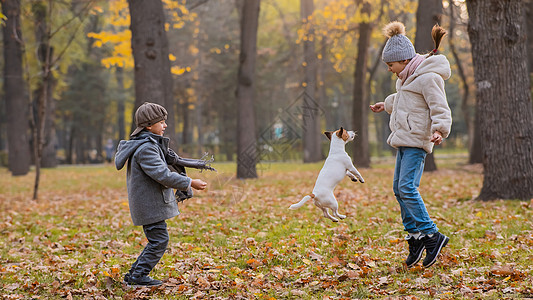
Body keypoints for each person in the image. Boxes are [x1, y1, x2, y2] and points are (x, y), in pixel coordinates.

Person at [370, 22, 452, 268]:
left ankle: (432, 235)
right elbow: (404, 100)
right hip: (404, 140)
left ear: (404, 60)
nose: (389, 69)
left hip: (417, 141)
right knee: (398, 189)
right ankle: (415, 237)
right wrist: (386, 105)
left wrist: (439, 130)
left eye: (391, 65)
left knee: (407, 188)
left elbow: (439, 106)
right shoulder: (406, 79)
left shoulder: (427, 78)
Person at [115, 102, 207, 286]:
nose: (165, 125)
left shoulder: (148, 144)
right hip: (149, 205)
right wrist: (190, 182)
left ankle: (134, 274)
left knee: (157, 240)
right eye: (161, 122)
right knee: (159, 241)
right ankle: (138, 276)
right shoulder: (146, 148)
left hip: (150, 203)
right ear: (149, 125)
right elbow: (162, 175)